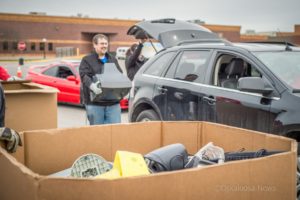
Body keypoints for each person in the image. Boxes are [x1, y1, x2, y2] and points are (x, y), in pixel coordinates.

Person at [79, 34, 123, 125]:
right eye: (102, 43)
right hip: (95, 104)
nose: (104, 46)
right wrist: (92, 86)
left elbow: (120, 74)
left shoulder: (112, 59)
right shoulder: (87, 60)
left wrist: (123, 87)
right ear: (94, 45)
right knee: (97, 132)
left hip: (113, 103)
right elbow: (84, 75)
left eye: (106, 43)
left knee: (114, 130)